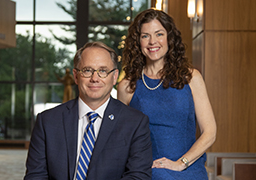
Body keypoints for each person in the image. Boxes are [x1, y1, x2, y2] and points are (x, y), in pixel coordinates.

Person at [24, 41, 152, 180]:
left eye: (103, 71)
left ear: (114, 76)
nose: (95, 78)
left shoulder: (135, 123)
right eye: (87, 70)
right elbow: (35, 176)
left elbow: (138, 177)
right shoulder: (47, 121)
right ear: (76, 76)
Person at [117, 9, 217, 179]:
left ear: (169, 38)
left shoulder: (191, 78)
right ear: (137, 41)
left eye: (159, 34)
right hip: (146, 169)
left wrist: (180, 163)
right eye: (145, 36)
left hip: (188, 169)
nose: (152, 42)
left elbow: (210, 132)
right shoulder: (127, 86)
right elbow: (122, 138)